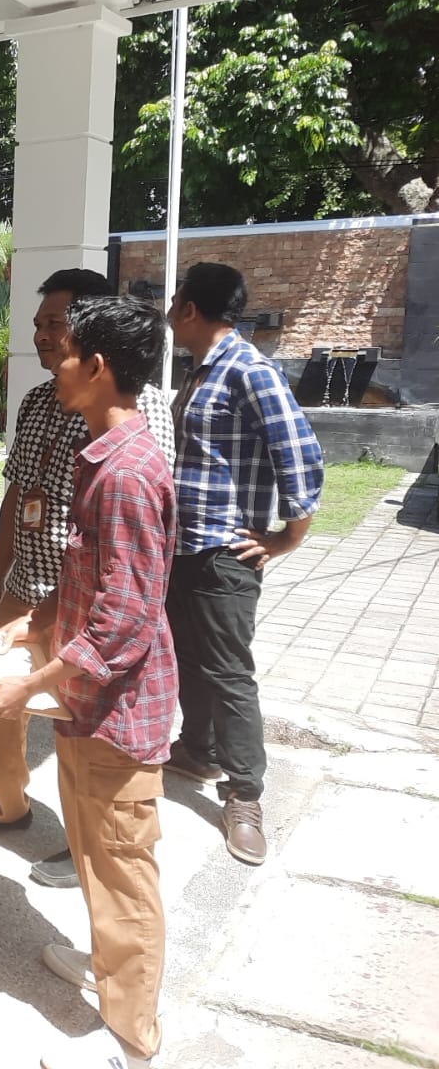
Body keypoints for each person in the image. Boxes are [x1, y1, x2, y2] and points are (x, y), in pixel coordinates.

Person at [0, 295, 177, 1069]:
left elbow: (125, 618)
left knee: (122, 874)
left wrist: (29, 685)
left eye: (63, 352)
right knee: (94, 853)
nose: (53, 364)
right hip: (89, 704)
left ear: (95, 368)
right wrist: (35, 621)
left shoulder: (124, 474)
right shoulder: (101, 456)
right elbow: (93, 579)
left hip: (117, 715)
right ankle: (106, 969)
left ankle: (131, 1041)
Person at [0, 270, 176, 893]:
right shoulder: (40, 400)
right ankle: (4, 804)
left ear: (92, 343)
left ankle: (86, 838)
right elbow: (19, 493)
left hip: (90, 603)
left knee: (86, 723)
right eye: (39, 324)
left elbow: (134, 548)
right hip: (31, 590)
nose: (42, 336)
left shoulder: (137, 413)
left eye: (55, 325)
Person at [165, 261, 323, 865]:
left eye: (174, 302)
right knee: (189, 657)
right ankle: (197, 750)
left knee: (229, 672)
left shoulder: (250, 370)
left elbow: (300, 453)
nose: (169, 313)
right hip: (184, 546)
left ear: (189, 309)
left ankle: (245, 795)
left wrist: (287, 538)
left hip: (224, 553)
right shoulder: (202, 370)